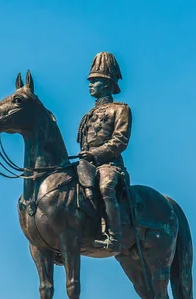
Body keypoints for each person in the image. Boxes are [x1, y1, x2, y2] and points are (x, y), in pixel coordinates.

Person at [77, 52, 132, 253]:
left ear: (107, 84)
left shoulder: (120, 109)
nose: (90, 85)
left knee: (106, 185)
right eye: (90, 81)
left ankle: (114, 237)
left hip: (110, 164)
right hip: (87, 164)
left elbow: (120, 140)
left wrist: (96, 154)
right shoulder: (88, 115)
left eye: (95, 81)